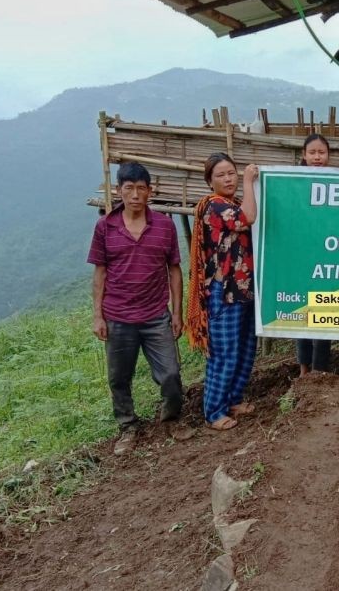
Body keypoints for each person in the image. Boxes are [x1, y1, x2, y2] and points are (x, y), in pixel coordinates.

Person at [87, 162, 184, 456]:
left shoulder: (165, 226)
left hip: (156, 315)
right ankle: (128, 427)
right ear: (119, 191)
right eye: (128, 188)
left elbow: (175, 270)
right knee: (119, 377)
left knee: (170, 373)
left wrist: (176, 312)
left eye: (141, 188)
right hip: (117, 316)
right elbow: (100, 273)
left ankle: (172, 420)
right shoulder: (106, 227)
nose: (135, 195)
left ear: (149, 192)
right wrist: (97, 315)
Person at [186, 153, 259, 431]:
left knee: (245, 347)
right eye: (221, 175)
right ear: (210, 181)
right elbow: (249, 217)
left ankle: (234, 400)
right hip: (222, 291)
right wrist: (250, 181)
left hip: (243, 288)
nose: (228, 179)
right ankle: (214, 411)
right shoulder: (214, 206)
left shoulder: (234, 203)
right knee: (224, 352)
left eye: (232, 173)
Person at [296, 134, 333, 377]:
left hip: (329, 259)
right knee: (300, 315)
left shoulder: (337, 180)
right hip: (301, 258)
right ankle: (303, 368)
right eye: (313, 153)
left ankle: (320, 370)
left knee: (325, 315)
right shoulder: (292, 182)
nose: (317, 157)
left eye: (321, 152)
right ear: (304, 155)